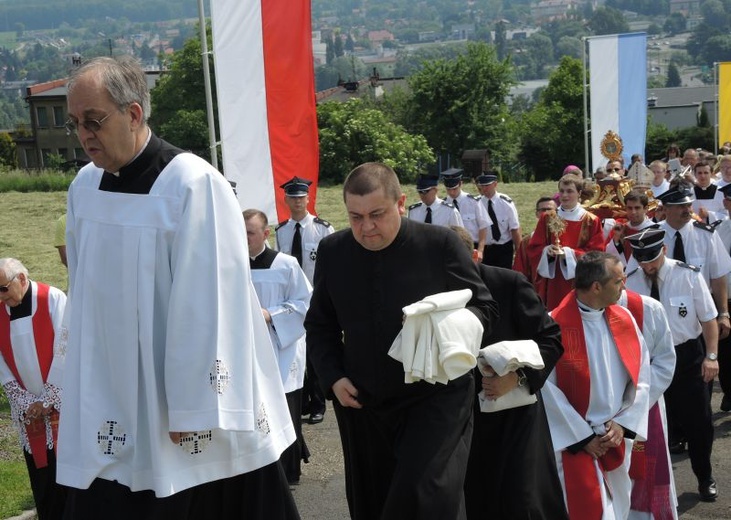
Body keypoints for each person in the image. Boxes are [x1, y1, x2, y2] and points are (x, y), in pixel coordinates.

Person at [56, 56, 299, 518]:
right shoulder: (84, 188)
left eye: (94, 120)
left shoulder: (191, 183)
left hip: (176, 401)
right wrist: (76, 380)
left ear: (133, 113)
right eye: (75, 123)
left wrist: (196, 409)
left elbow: (210, 302)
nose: (85, 134)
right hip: (112, 388)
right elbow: (82, 292)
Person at [305, 162, 497, 520]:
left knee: (424, 496)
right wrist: (332, 376)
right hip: (363, 401)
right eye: (355, 216)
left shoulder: (439, 245)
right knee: (373, 503)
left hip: (434, 398)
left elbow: (484, 308)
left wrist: (450, 331)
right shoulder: (333, 250)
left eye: (376, 214)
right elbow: (319, 325)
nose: (366, 227)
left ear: (400, 203)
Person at [450, 227, 568, 520]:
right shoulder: (435, 292)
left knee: (522, 502)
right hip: (462, 423)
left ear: (475, 256)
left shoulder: (508, 283)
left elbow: (551, 339)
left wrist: (517, 377)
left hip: (515, 417)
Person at [543, 251, 650, 519]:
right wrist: (583, 437)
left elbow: (641, 376)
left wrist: (623, 423)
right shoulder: (554, 325)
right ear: (596, 286)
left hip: (613, 436)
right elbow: (546, 389)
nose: (624, 286)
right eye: (618, 281)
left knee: (619, 510)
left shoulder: (624, 319)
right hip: (576, 442)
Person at [625, 228, 720, 502]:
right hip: (650, 360)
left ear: (663, 250)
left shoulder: (687, 276)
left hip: (687, 357)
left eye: (652, 259)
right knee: (650, 425)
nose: (647, 266)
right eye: (642, 260)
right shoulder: (631, 281)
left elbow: (708, 319)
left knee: (699, 423)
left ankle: (705, 476)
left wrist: (711, 357)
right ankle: (653, 487)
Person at [245, 209, 312, 486]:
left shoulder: (286, 265)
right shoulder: (231, 263)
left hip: (281, 348)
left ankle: (288, 472)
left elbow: (305, 304)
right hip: (247, 349)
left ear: (265, 233)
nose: (244, 237)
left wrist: (271, 314)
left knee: (284, 408)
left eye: (249, 232)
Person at [0, 258, 67, 519]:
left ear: (22, 279)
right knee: (43, 478)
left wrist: (49, 397)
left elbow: (65, 347)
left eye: (3, 289)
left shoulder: (52, 299)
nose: (1, 297)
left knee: (68, 476)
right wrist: (24, 400)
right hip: (28, 410)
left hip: (61, 402)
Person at [275, 175, 334, 425]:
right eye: (293, 198)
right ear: (286, 200)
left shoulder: (322, 228)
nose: (298, 202)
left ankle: (319, 404)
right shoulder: (282, 231)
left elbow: (332, 265)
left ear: (308, 198)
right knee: (296, 352)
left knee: (315, 353)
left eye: (302, 197)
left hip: (316, 297)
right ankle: (305, 400)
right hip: (292, 301)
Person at [616, 286, 677, 519]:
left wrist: (640, 400)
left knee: (647, 469)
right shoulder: (583, 311)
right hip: (603, 407)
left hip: (646, 399)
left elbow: (665, 359)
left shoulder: (649, 308)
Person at [527, 174, 605, 310]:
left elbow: (597, 254)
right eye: (562, 191)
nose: (564, 195)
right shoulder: (548, 218)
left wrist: (568, 254)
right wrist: (547, 252)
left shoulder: (591, 220)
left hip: (580, 279)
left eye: (570, 191)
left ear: (579, 193)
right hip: (554, 279)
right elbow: (534, 248)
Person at [442, 167, 490, 262]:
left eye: (454, 189)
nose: (451, 192)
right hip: (450, 249)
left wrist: (480, 251)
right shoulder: (442, 205)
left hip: (472, 247)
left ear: (460, 183)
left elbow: (483, 227)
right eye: (448, 189)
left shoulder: (474, 202)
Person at [475, 172, 522, 269]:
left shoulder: (506, 203)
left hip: (503, 248)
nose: (484, 189)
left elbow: (514, 229)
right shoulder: (476, 203)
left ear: (495, 184)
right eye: (482, 186)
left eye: (487, 185)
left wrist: (519, 252)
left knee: (504, 278)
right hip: (485, 249)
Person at [513, 196, 556, 294]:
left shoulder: (561, 239)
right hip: (535, 291)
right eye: (542, 210)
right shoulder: (526, 242)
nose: (546, 213)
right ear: (537, 213)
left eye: (549, 209)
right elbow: (520, 269)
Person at [606, 190, 659, 268]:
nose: (633, 212)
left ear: (646, 209)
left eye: (637, 208)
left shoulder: (655, 230)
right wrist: (616, 240)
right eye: (629, 208)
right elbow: (610, 257)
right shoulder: (621, 229)